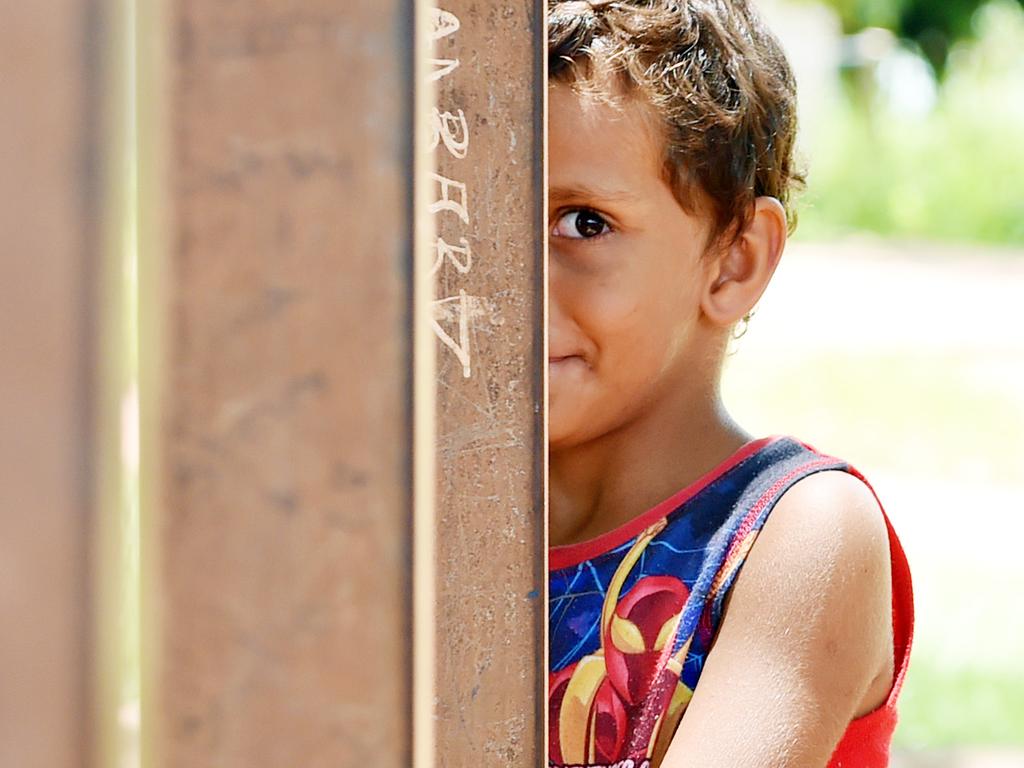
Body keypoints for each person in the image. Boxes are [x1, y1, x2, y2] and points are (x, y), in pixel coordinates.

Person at [545, 1, 914, 766]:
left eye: (583, 223)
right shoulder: (423, 513)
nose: (507, 281)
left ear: (735, 259)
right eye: (471, 225)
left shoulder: (797, 533)